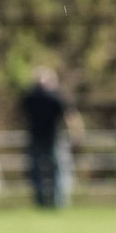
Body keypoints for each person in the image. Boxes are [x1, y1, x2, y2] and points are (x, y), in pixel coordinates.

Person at [20, 67, 83, 207]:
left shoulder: (33, 98)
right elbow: (71, 117)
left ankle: (50, 201)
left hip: (49, 138)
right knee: (54, 170)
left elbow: (70, 116)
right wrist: (77, 134)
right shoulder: (52, 97)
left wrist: (76, 134)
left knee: (48, 170)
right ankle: (53, 201)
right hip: (44, 138)